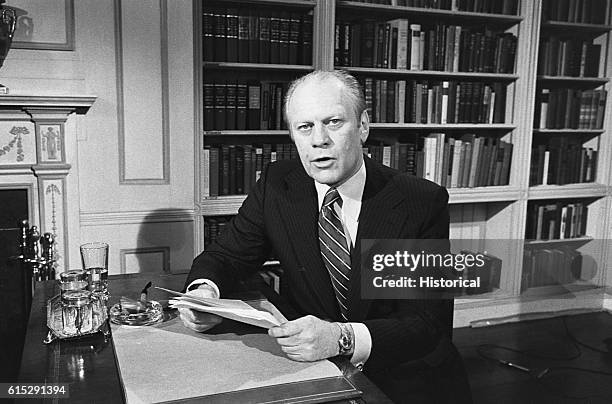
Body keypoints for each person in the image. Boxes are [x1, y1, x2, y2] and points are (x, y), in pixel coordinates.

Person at [180, 70, 472, 403]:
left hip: (404, 376)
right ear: (293, 134)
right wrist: (204, 293)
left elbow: (425, 323)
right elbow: (226, 256)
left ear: (362, 126)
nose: (319, 140)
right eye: (305, 127)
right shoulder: (277, 184)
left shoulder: (420, 201)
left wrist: (341, 337)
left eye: (333, 122)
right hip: (318, 371)